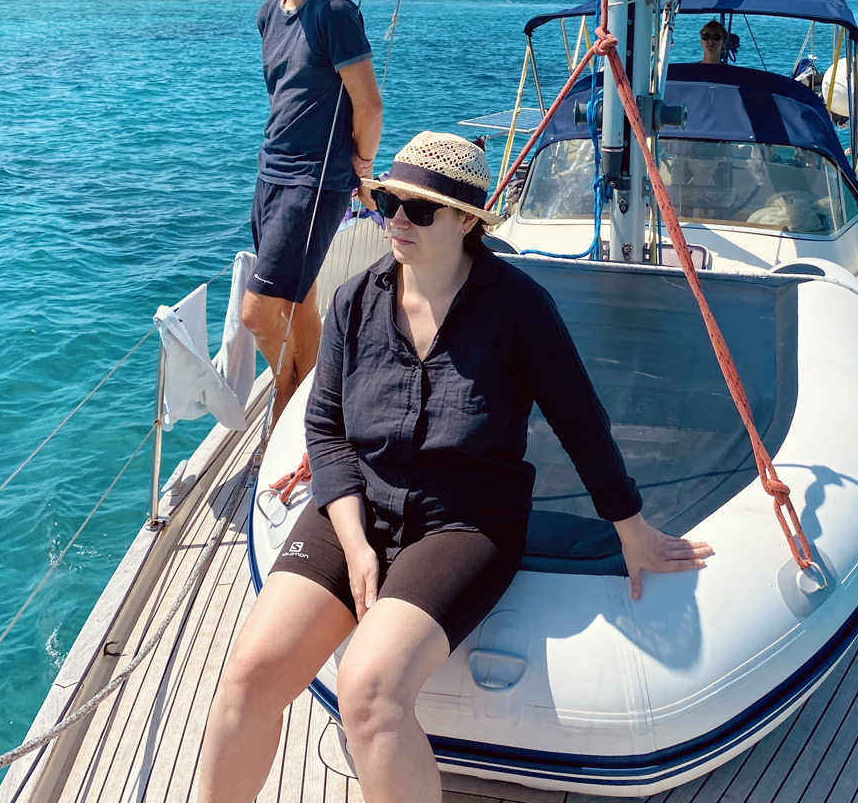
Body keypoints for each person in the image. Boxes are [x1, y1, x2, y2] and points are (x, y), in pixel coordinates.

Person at [197, 132, 713, 803]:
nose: (397, 221)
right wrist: (355, 545)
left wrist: (630, 527)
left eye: (420, 210)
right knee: (247, 675)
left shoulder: (519, 309)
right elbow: (326, 429)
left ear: (468, 222)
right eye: (388, 203)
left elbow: (581, 423)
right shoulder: (354, 301)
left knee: (369, 693)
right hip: (360, 502)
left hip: (464, 521)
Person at [243, 0, 383, 422]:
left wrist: (361, 169)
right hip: (272, 172)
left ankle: (285, 396)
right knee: (299, 298)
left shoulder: (335, 11)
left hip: (314, 180)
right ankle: (319, 399)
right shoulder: (268, 14)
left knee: (257, 313)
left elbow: (368, 105)